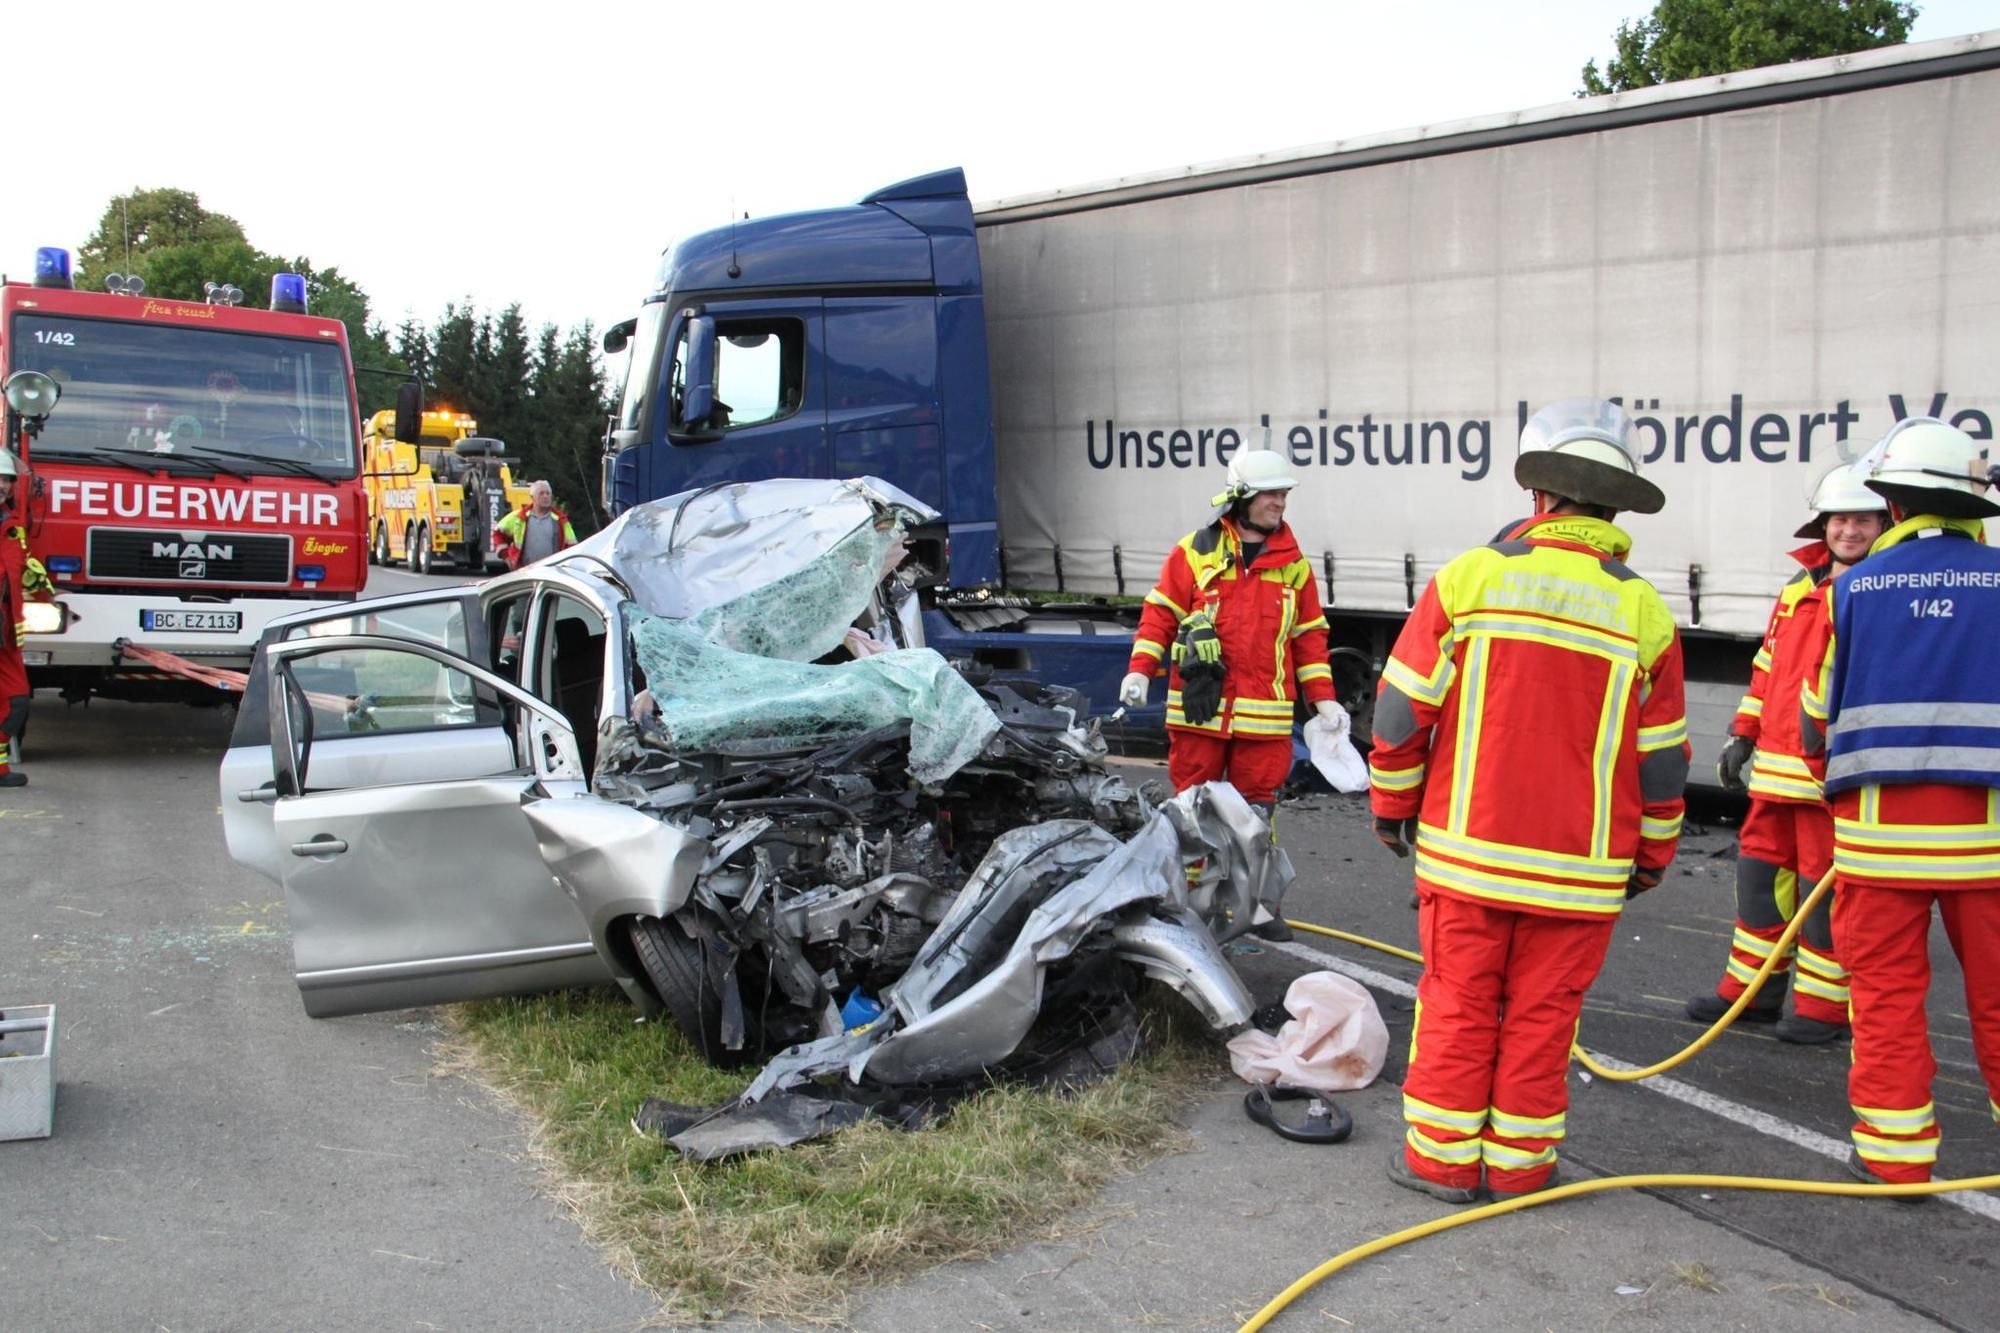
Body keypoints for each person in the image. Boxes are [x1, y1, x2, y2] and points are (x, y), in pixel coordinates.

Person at [1368, 399, 1690, 1204]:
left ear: (1540, 498)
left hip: (1468, 857)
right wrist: (1649, 858)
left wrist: (1392, 805)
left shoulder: (1472, 577)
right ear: (1614, 507)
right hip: (1581, 875)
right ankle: (1521, 1169)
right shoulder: (1645, 611)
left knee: (1459, 1003)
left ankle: (1441, 1164)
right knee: (1545, 1018)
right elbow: (1663, 765)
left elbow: (1403, 712)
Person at [1802, 417, 2000, 1191]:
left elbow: (1815, 721)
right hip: (1989, 848)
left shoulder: (1846, 591)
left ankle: (1895, 1156)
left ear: (1892, 500)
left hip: (1878, 848)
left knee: (1885, 1001)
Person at [1688, 459, 1887, 1043]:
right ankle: (1753, 993)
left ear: (1885, 524)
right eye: (1840, 520)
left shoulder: (1877, 590)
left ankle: (1823, 1007)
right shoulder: (1799, 588)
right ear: (1822, 526)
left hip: (1829, 779)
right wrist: (1742, 735)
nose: (1849, 531)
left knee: (1826, 896)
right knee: (1758, 884)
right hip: (1775, 775)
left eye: (1864, 521)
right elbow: (1768, 670)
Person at [1119, 449, 1339, 815]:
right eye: (1271, 493)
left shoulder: (1294, 566)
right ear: (1243, 496)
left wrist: (1324, 698)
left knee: (1253, 822)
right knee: (1192, 816)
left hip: (1264, 727)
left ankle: (1248, 876)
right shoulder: (1194, 552)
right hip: (1199, 716)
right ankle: (1194, 876)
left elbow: (1309, 638)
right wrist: (1140, 670)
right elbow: (1160, 615)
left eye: (1284, 493)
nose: (1281, 502)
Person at [0, 449, 54, 789]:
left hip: (5, 632)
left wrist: (45, 590)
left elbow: (21, 568)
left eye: (6, 479)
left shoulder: (11, 525)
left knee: (15, 699)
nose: (3, 485)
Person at [494, 481, 576, 569]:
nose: (546, 496)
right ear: (532, 497)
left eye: (548, 493)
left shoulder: (560, 520)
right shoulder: (519, 517)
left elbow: (572, 547)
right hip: (523, 573)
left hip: (551, 573)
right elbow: (498, 533)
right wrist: (506, 557)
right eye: (541, 493)